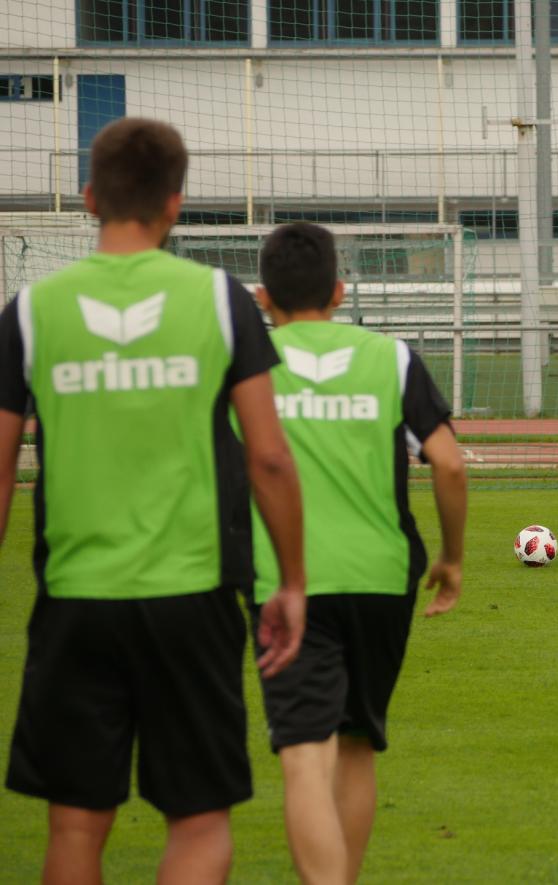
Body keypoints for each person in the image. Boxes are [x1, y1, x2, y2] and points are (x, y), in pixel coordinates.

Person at [0, 118, 306, 885]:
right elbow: (268, 454)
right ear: (176, 203)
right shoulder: (217, 298)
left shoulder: (32, 312)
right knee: (199, 823)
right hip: (193, 593)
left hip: (75, 596)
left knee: (74, 824)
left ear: (89, 197)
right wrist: (293, 582)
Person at [250, 222, 467, 884]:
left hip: (284, 578)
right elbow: (450, 465)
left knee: (302, 755)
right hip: (383, 574)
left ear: (263, 297)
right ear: (340, 291)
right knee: (356, 744)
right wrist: (452, 559)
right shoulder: (392, 357)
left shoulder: (247, 366)